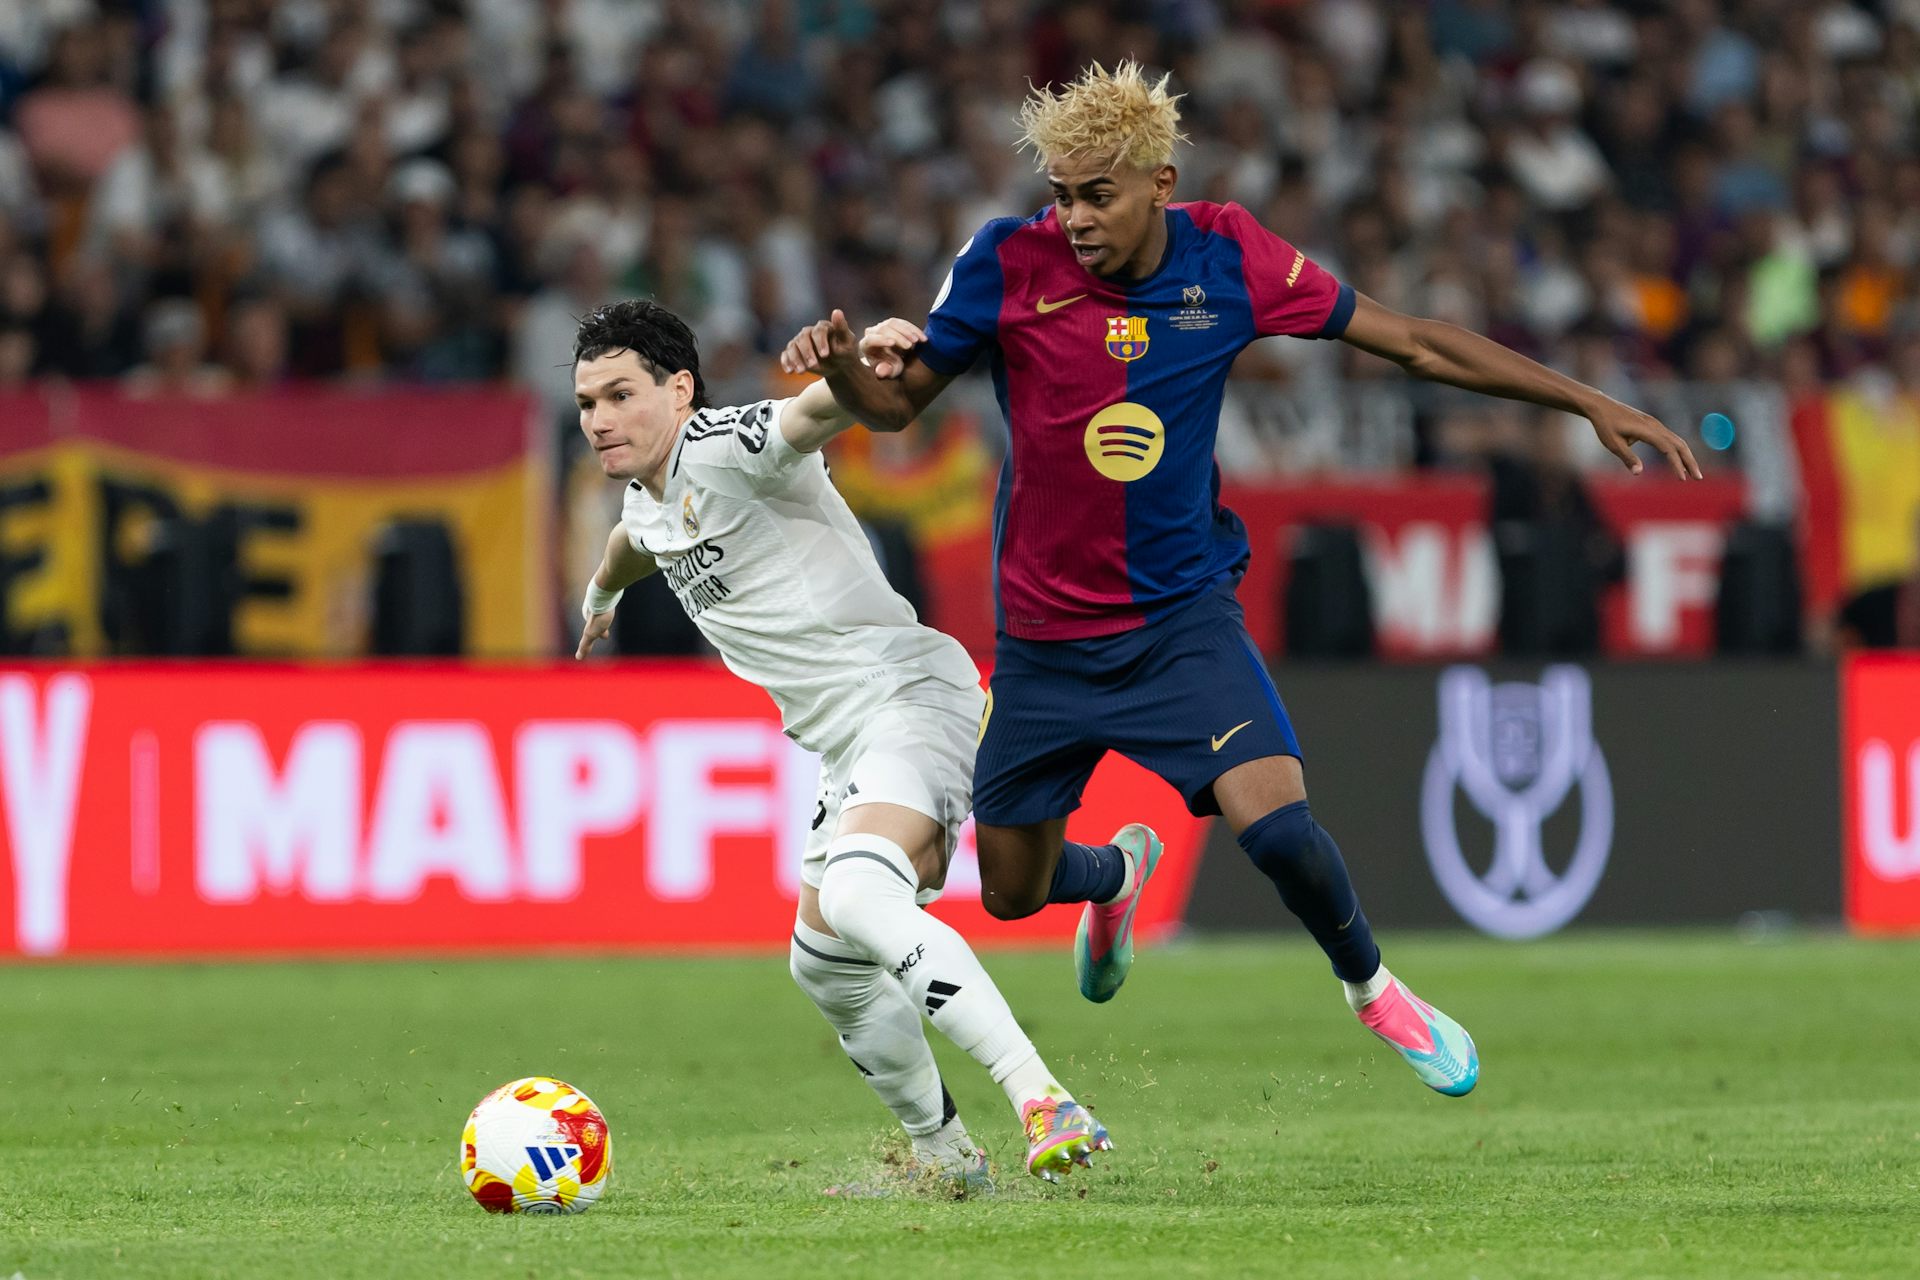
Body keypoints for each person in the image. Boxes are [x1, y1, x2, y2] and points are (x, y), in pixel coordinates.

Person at [781, 61, 1703, 1099]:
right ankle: (1120, 874)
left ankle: (1375, 989)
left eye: (1099, 195)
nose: (1075, 218)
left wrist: (1584, 400)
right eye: (1062, 196)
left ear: (1160, 183)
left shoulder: (1231, 256)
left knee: (1278, 827)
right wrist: (845, 368)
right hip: (1045, 642)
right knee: (1008, 891)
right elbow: (897, 407)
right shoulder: (1006, 262)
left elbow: (1411, 342)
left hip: (1181, 620)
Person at [571, 298, 1113, 1187]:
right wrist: (600, 600)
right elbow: (635, 541)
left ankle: (1041, 1098)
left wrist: (864, 361)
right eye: (587, 403)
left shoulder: (726, 443)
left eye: (618, 395)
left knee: (862, 894)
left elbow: (814, 412)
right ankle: (948, 1156)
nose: (598, 420)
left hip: (908, 694)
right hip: (847, 742)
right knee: (823, 965)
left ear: (678, 391)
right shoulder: (649, 496)